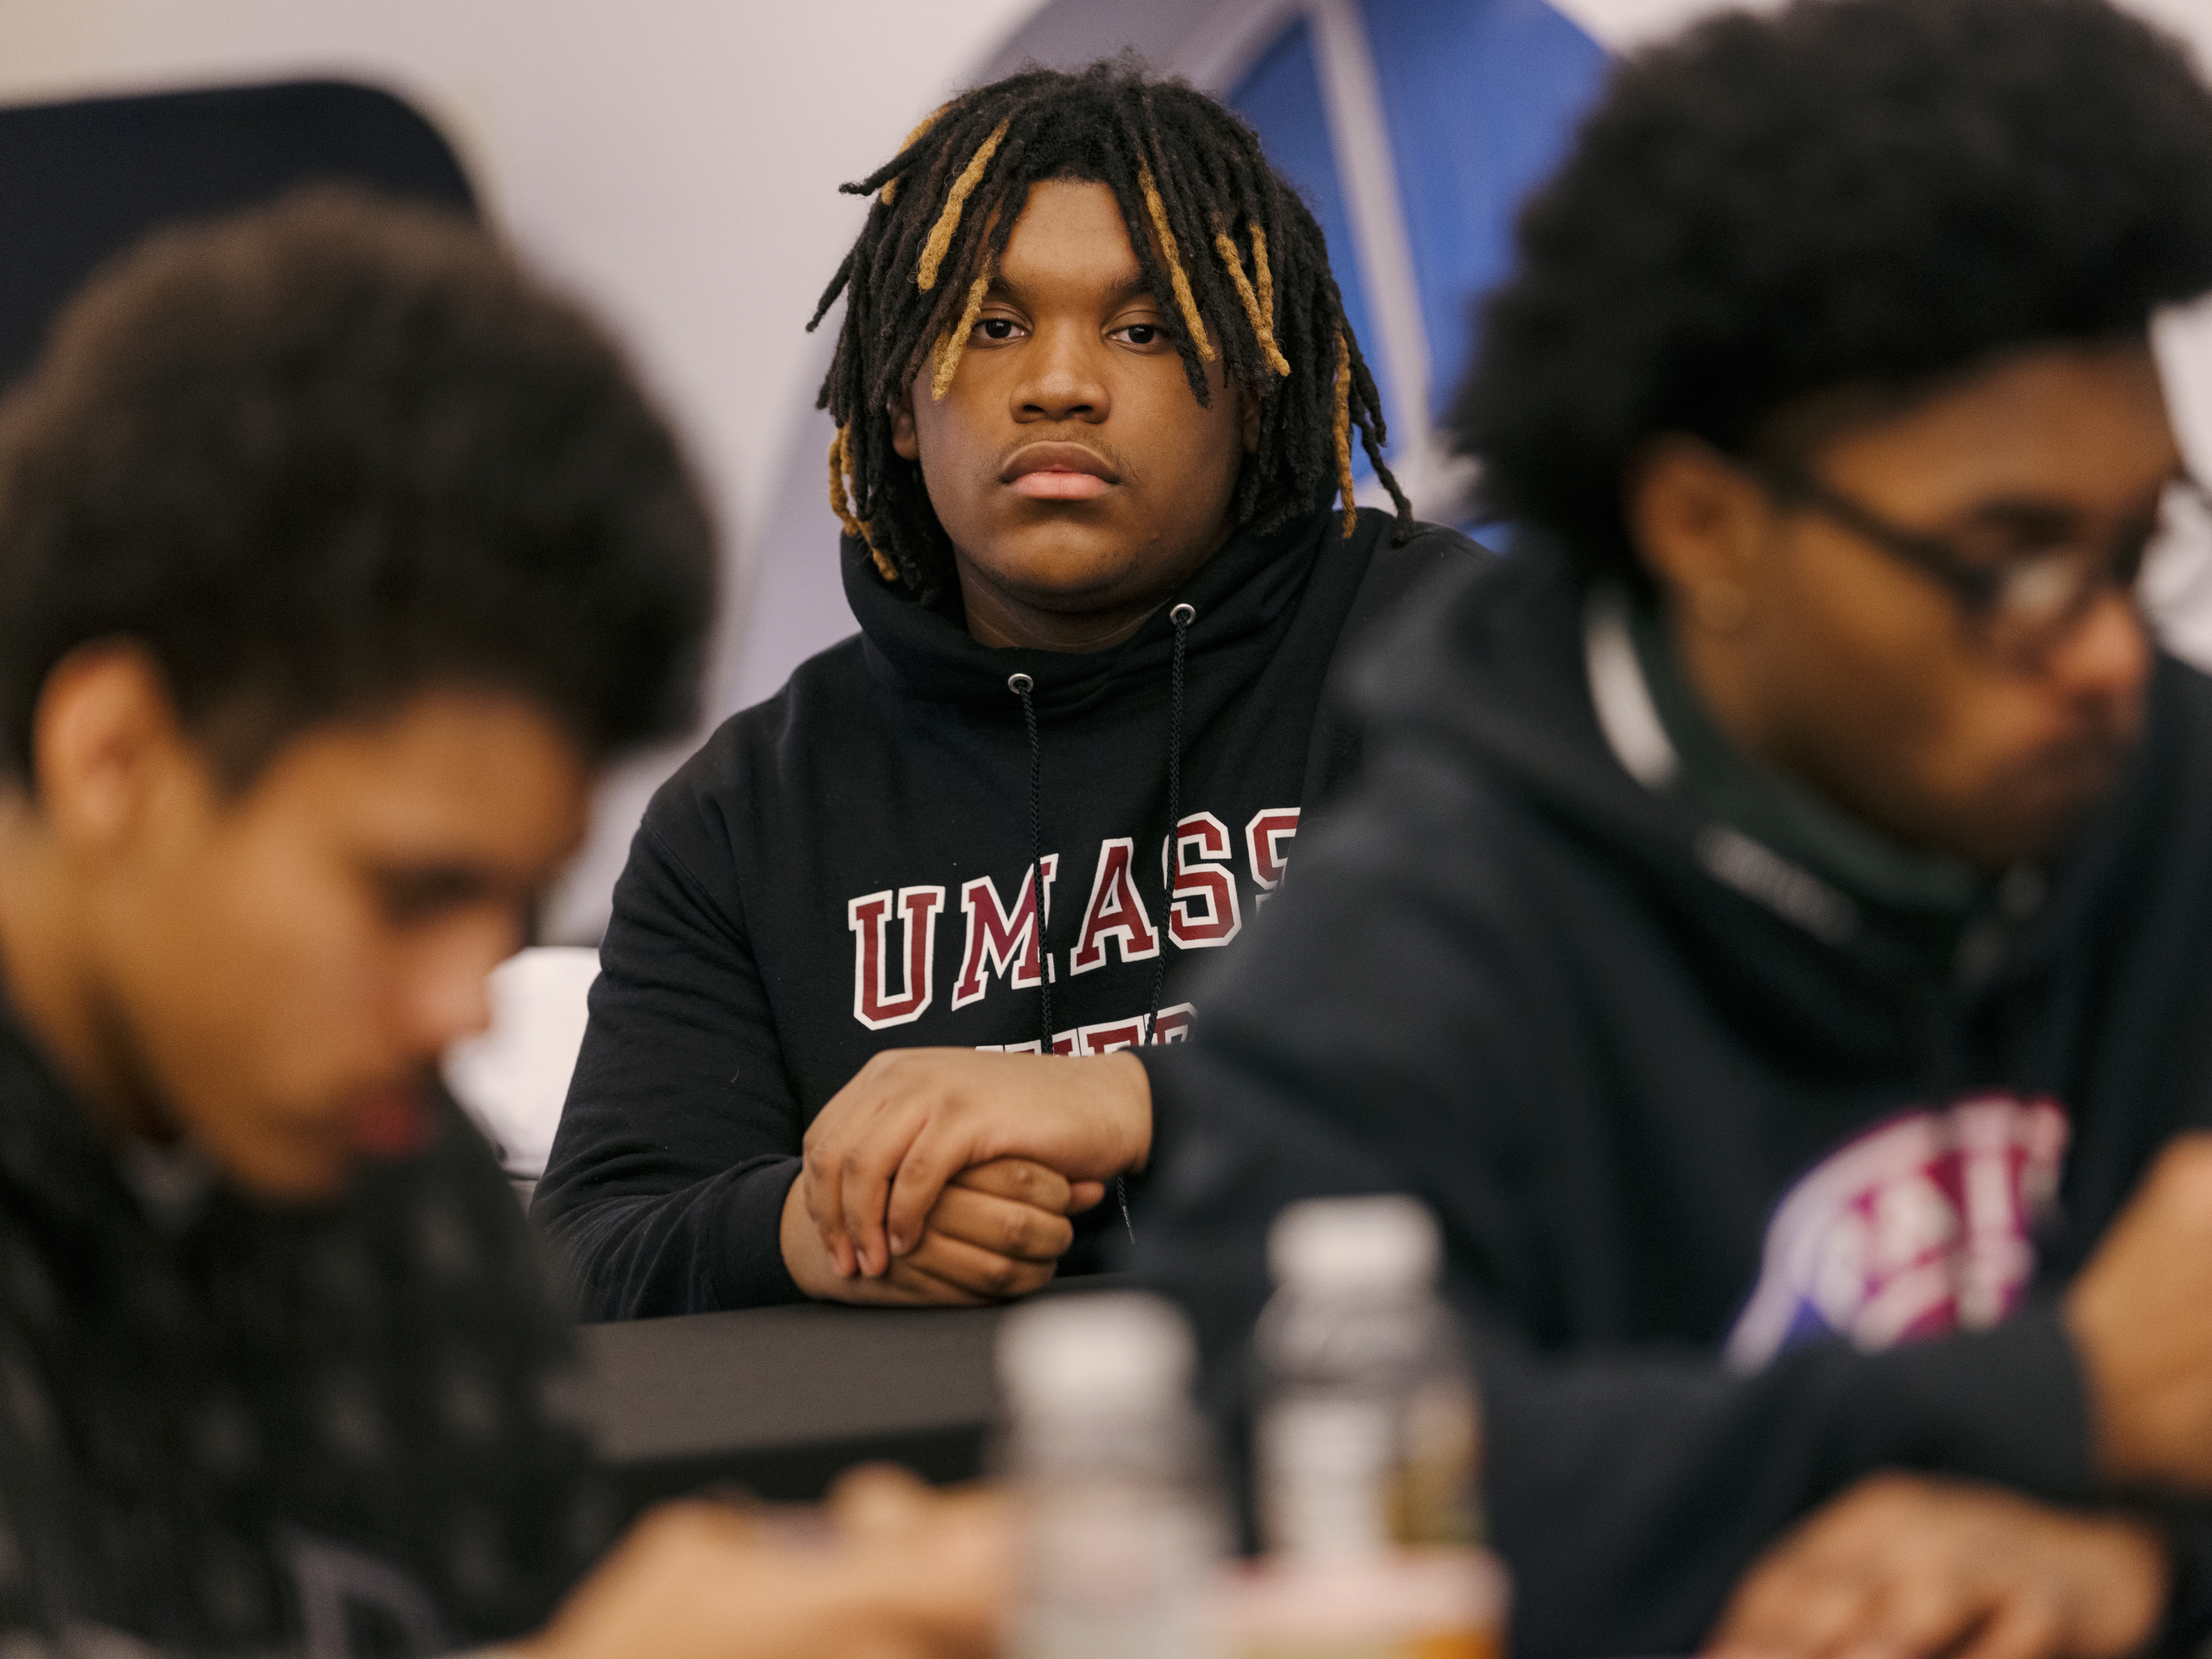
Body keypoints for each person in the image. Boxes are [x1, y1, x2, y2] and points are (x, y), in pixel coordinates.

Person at [803, 1, 2212, 1655]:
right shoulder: (1414, 937)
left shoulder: (2160, 789)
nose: (2105, 648)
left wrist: (2138, 1564)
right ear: (1706, 525)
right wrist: (2054, 1402)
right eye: (2007, 561)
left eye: (2134, 551)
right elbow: (1287, 1477)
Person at [0, 187, 997, 1659]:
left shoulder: (376, 1172)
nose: (460, 1004)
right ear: (116, 758)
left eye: (509, 903)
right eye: (408, 893)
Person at [532, 60, 1484, 1316]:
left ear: (1258, 396)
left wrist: (1129, 1098)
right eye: (993, 324)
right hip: (910, 1495)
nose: (1059, 384)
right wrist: (809, 1229)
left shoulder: (1443, 649)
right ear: (901, 406)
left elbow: (1587, 1049)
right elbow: (582, 1252)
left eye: (1142, 330)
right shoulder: (749, 809)